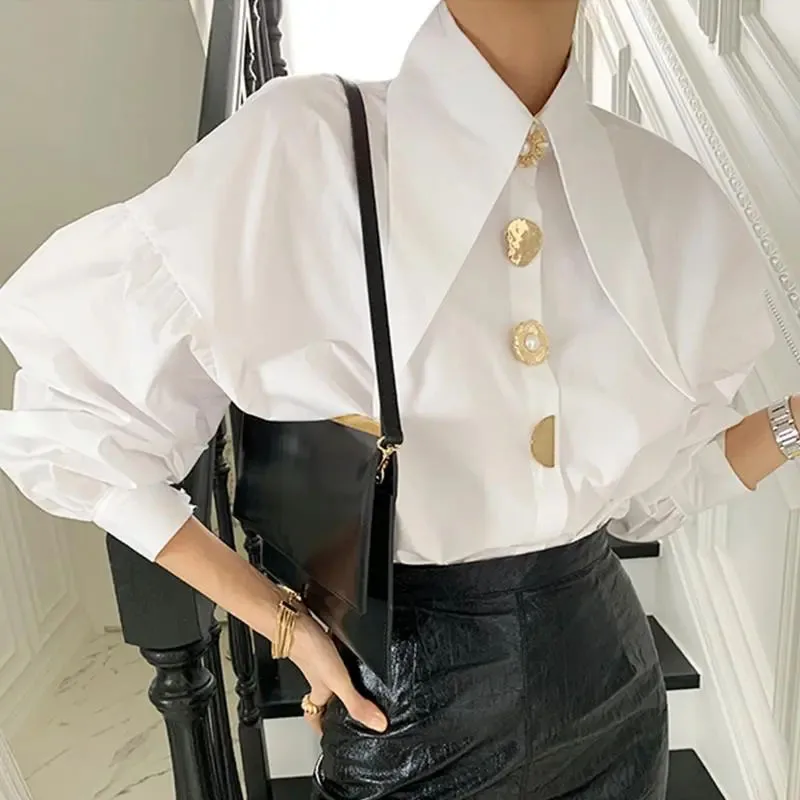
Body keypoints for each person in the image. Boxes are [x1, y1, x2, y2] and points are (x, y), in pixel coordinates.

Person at [0, 0, 797, 797]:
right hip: (408, 704)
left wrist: (792, 422)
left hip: (612, 688)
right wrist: (282, 622)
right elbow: (78, 422)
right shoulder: (310, 149)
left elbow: (650, 500)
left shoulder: (668, 197)